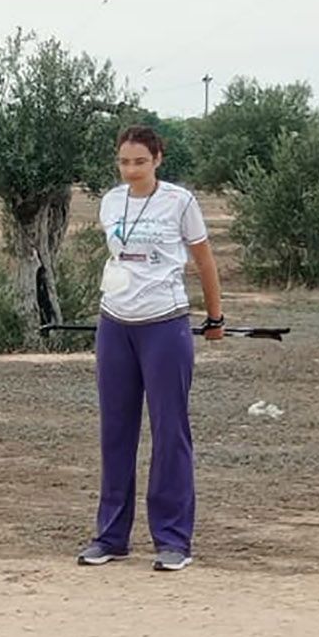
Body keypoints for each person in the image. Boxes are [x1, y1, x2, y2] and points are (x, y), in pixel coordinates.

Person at [76, 125, 224, 573]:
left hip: (165, 324)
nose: (131, 170)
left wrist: (214, 317)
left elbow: (203, 260)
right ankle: (110, 536)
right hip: (115, 323)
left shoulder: (180, 202)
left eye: (140, 161)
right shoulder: (110, 201)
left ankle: (173, 539)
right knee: (116, 432)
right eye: (124, 161)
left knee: (169, 432)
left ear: (158, 159)